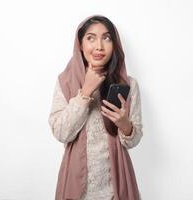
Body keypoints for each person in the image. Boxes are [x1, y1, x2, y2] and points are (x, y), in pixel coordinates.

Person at [48, 14, 143, 200]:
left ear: (114, 44)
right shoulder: (65, 82)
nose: (99, 46)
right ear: (80, 45)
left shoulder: (129, 85)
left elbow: (133, 140)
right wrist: (85, 93)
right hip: (76, 186)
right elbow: (61, 133)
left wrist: (125, 125)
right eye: (91, 38)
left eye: (106, 38)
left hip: (117, 186)